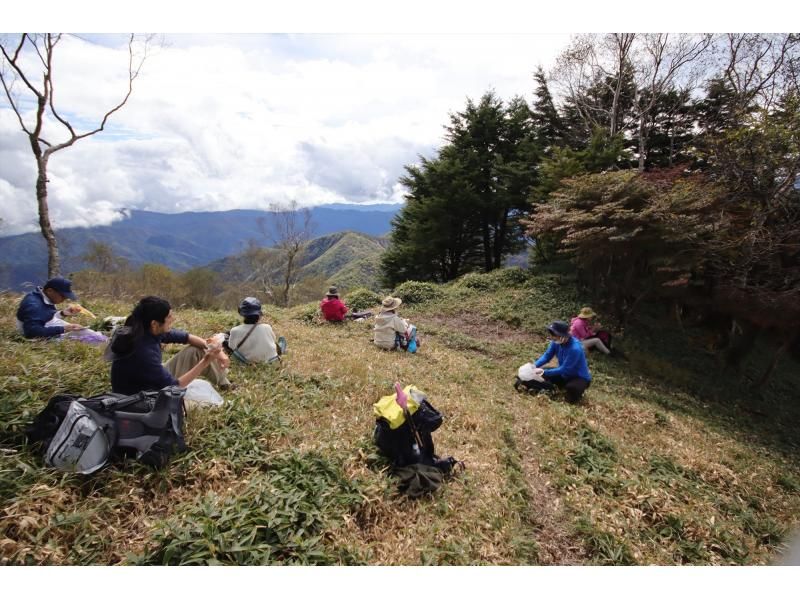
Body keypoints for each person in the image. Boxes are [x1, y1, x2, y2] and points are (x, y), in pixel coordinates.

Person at [107, 296, 232, 395]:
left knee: (196, 350)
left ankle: (226, 385)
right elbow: (174, 387)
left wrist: (218, 352)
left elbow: (186, 338)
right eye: (169, 317)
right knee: (201, 404)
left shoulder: (144, 330)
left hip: (149, 381)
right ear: (154, 324)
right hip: (141, 399)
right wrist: (205, 361)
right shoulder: (144, 352)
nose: (173, 319)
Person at [516, 320, 592, 403]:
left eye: (554, 335)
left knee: (572, 389)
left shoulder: (575, 349)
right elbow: (547, 356)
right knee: (538, 374)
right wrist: (534, 366)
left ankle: (572, 390)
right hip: (563, 374)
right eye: (551, 334)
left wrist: (544, 372)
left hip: (578, 377)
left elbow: (565, 369)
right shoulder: (556, 342)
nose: (552, 337)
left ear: (563, 335)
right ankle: (555, 387)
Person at [15, 276, 85, 339]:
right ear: (50, 291)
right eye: (63, 296)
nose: (65, 298)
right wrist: (63, 329)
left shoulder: (42, 296)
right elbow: (32, 332)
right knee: (86, 337)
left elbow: (43, 316)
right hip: (38, 338)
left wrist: (62, 313)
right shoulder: (34, 305)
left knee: (84, 332)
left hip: (46, 327)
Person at [227, 297, 285, 364]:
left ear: (243, 315)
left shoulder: (234, 331)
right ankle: (281, 349)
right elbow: (273, 340)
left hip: (248, 363)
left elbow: (232, 347)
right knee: (281, 342)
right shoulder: (267, 327)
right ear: (259, 315)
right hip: (272, 361)